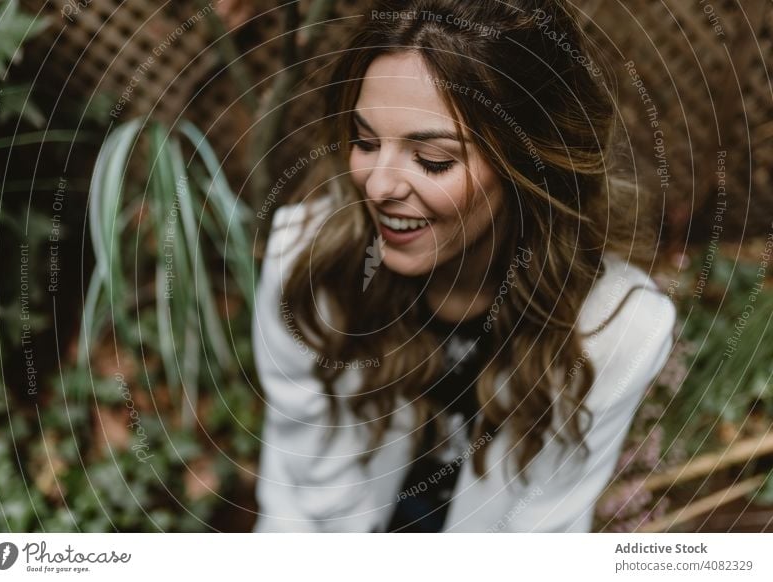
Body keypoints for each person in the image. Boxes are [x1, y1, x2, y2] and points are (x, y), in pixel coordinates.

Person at [251, 0, 676, 532]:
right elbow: (296, 501)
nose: (379, 186)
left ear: (529, 163)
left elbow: (541, 535)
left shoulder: (618, 330)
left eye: (433, 160)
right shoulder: (308, 266)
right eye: (365, 141)